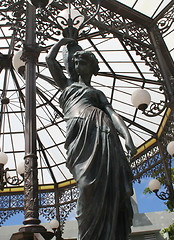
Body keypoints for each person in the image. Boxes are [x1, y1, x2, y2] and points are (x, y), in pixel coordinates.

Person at [46, 38, 137, 240]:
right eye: (75, 60)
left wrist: (127, 136)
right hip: (79, 137)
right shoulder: (67, 85)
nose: (78, 62)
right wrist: (61, 42)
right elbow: (50, 61)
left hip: (104, 134)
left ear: (92, 67)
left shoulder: (97, 93)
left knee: (111, 185)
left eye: (83, 61)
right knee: (87, 185)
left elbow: (113, 114)